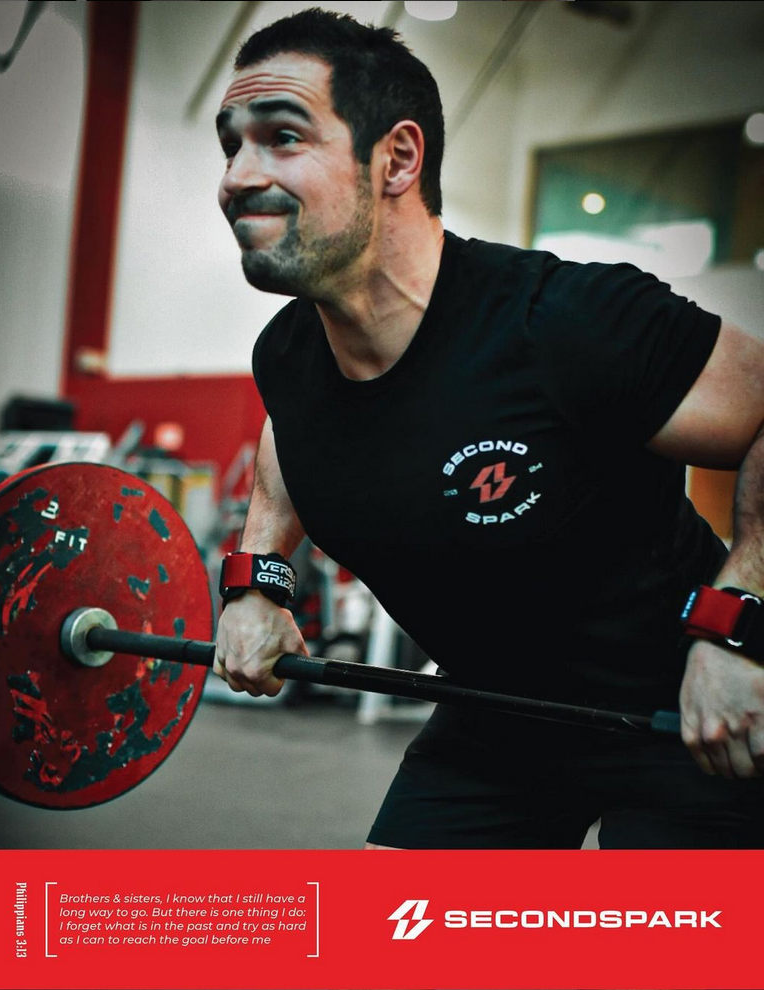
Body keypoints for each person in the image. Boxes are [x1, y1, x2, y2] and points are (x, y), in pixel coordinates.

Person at [211, 9, 764, 848]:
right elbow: (293, 433)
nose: (238, 177)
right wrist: (259, 583)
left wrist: (739, 626)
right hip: (495, 713)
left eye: (282, 138)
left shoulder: (569, 320)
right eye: (230, 145)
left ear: (395, 158)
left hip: (690, 709)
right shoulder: (290, 353)